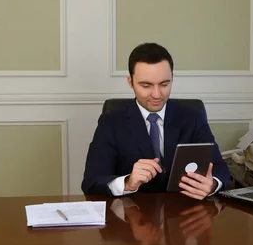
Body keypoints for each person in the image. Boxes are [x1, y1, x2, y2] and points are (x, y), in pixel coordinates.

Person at [81, 42, 230, 199]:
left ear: (172, 79)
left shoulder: (192, 116)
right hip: (131, 215)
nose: (157, 94)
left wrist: (212, 184)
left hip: (184, 215)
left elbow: (220, 169)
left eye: (164, 84)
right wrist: (127, 182)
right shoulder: (111, 121)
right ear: (130, 82)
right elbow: (91, 182)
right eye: (146, 85)